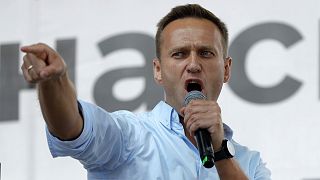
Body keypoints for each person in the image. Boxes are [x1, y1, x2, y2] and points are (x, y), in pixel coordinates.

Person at [20, 4, 271, 180]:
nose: (193, 64)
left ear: (226, 69)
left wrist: (220, 152)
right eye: (179, 54)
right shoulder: (128, 136)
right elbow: (72, 127)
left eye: (206, 53)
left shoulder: (250, 163)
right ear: (158, 70)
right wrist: (53, 81)